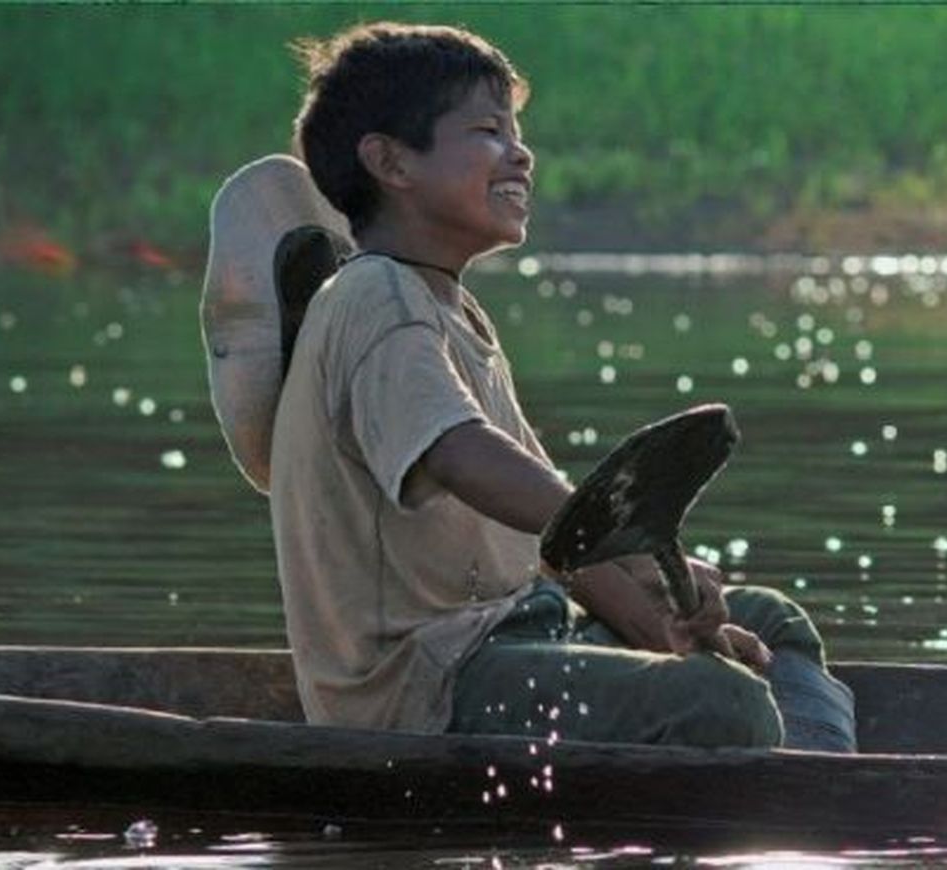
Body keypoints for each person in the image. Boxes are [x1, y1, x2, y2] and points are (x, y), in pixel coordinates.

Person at [274, 21, 855, 751]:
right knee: (721, 704)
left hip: (522, 633)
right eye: (488, 130)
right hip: (427, 687)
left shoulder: (449, 312)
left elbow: (554, 542)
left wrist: (661, 618)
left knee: (768, 621)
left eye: (517, 131)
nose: (521, 152)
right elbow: (460, 454)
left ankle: (807, 783)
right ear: (390, 161)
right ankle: (802, 787)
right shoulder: (374, 300)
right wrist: (633, 541)